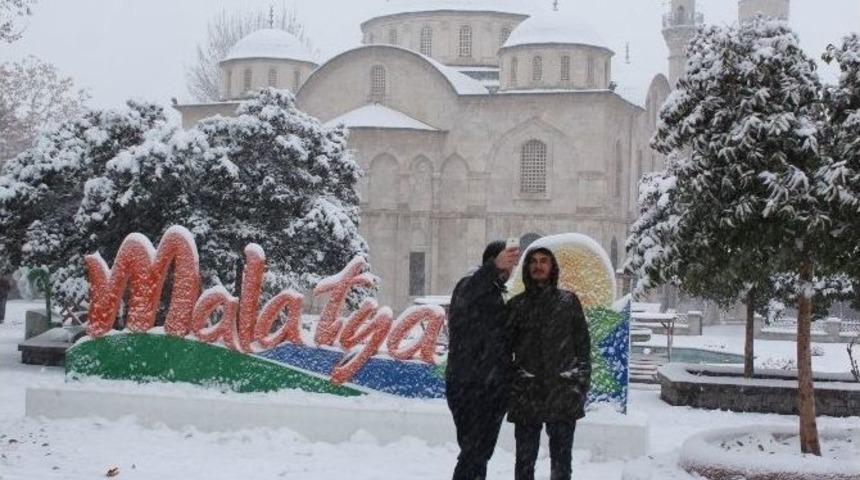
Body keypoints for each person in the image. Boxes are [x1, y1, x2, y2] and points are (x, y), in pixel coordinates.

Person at [507, 247, 591, 480]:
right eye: (533, 261)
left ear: (552, 267)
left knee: (562, 464)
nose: (538, 265)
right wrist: (515, 381)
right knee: (524, 462)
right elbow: (504, 351)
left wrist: (580, 383)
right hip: (527, 393)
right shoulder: (516, 306)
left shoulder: (568, 302)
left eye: (544, 261)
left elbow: (583, 346)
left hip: (563, 391)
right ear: (526, 268)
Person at [446, 240, 519, 480]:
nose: (507, 270)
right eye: (503, 263)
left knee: (480, 453)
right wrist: (492, 268)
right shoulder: (468, 286)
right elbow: (469, 293)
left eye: (510, 265)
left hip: (493, 391)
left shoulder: (498, 297)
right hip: (468, 387)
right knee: (473, 452)